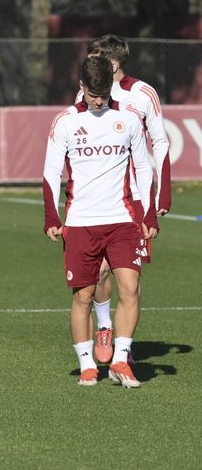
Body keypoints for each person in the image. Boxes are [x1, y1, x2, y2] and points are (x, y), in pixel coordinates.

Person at [43, 55, 157, 387]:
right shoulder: (64, 121)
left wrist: (148, 213)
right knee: (83, 296)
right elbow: (51, 172)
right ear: (81, 87)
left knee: (131, 288)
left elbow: (143, 169)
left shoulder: (129, 120)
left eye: (103, 93)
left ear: (111, 87)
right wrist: (53, 216)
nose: (97, 100)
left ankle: (121, 361)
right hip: (80, 222)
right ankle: (87, 365)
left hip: (122, 220)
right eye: (92, 93)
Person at [76, 35, 170, 364]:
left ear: (113, 64)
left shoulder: (142, 94)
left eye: (96, 58)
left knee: (129, 276)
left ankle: (124, 347)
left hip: (132, 201)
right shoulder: (86, 92)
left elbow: (160, 142)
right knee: (99, 272)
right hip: (98, 199)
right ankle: (104, 326)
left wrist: (162, 193)